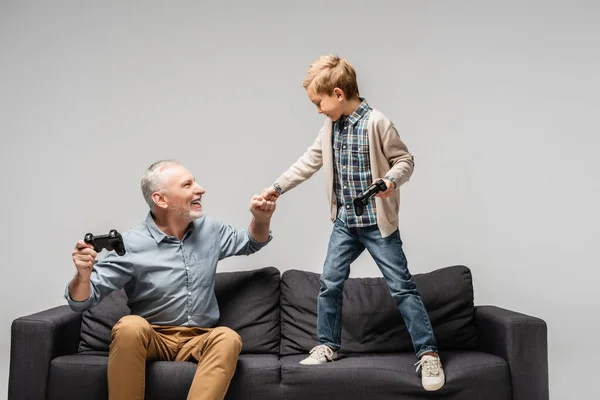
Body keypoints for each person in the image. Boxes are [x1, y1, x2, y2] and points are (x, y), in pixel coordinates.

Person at [261, 55, 444, 391]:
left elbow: (405, 160)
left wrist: (390, 180)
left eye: (319, 102)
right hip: (346, 221)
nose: (317, 109)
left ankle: (428, 353)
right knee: (330, 282)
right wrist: (276, 188)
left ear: (338, 93)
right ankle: (327, 344)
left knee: (402, 287)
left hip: (377, 222)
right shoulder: (329, 127)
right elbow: (309, 161)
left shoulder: (377, 123)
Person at [66, 160, 276, 400]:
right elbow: (81, 301)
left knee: (227, 337)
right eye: (188, 185)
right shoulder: (132, 244)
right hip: (152, 338)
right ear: (161, 199)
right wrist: (82, 276)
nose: (200, 189)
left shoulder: (210, 230)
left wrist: (261, 218)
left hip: (200, 338)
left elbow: (252, 241)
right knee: (129, 326)